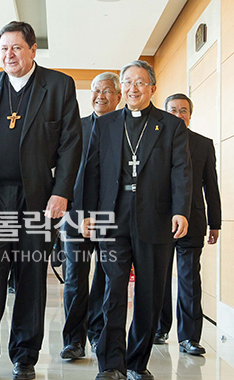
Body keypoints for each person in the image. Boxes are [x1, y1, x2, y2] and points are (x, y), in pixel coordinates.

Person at [0, 21, 82, 380]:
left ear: (32, 49)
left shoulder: (58, 85)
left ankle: (25, 357)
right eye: (3, 49)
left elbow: (71, 144)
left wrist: (61, 192)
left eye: (16, 48)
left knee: (31, 273)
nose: (8, 55)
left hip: (38, 197)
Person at [81, 60, 192, 380]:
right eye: (127, 82)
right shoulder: (106, 124)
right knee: (112, 291)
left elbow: (180, 171)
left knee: (150, 293)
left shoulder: (171, 126)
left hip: (154, 217)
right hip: (112, 216)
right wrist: (87, 215)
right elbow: (92, 173)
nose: (132, 88)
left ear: (152, 88)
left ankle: (136, 362)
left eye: (140, 82)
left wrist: (180, 210)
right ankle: (110, 364)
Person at [153, 94, 221, 355]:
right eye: (173, 110)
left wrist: (215, 221)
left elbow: (211, 186)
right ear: (165, 113)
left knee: (189, 279)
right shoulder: (155, 141)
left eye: (183, 110)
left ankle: (189, 338)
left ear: (190, 115)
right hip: (159, 220)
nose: (178, 114)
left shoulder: (203, 144)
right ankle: (160, 328)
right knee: (159, 277)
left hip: (192, 221)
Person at [60, 72, 122, 359]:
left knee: (104, 280)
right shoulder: (77, 128)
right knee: (74, 279)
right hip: (75, 217)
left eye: (108, 91)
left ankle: (97, 335)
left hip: (112, 218)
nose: (100, 95)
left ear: (119, 97)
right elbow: (68, 175)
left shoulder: (126, 130)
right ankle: (73, 340)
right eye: (96, 90)